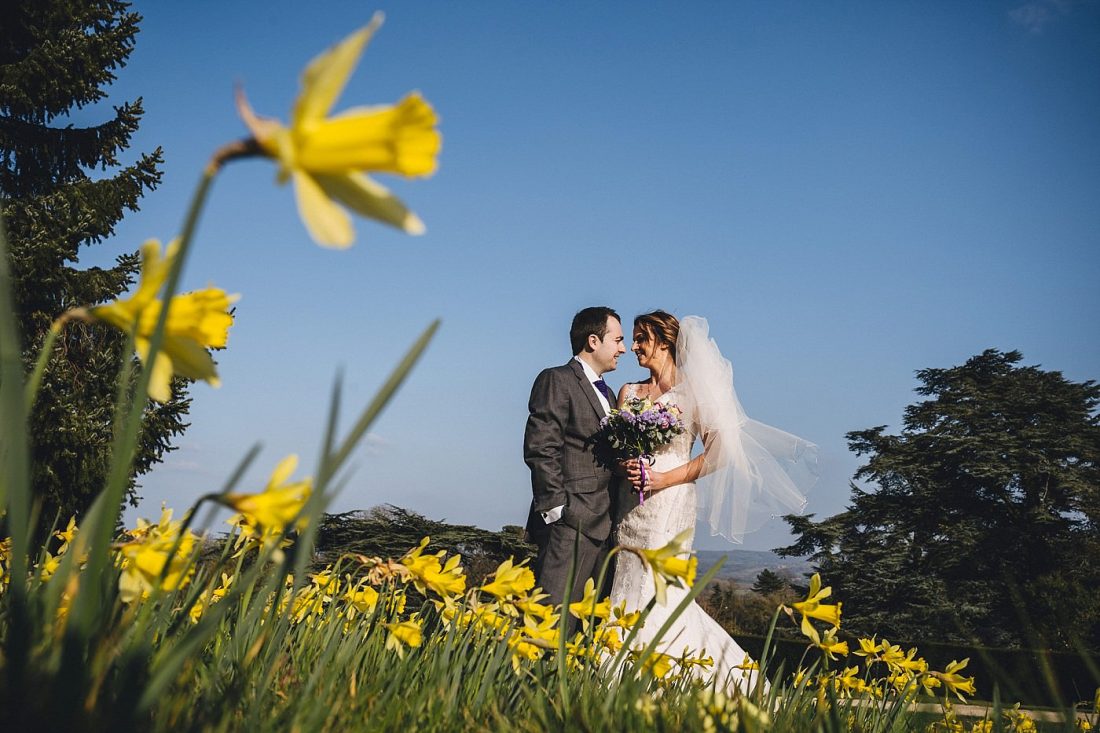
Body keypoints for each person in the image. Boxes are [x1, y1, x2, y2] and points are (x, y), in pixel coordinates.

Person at [611, 310, 818, 691]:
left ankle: (675, 681)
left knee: (661, 590)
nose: (635, 346)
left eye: (641, 338)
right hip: (630, 505)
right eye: (634, 338)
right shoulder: (628, 392)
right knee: (627, 580)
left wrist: (663, 478)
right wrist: (629, 464)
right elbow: (619, 446)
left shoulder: (693, 395)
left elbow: (719, 453)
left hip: (670, 502)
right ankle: (616, 671)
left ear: (664, 341)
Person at [523, 306, 627, 607]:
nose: (622, 349)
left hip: (605, 524)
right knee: (553, 618)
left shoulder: (608, 395)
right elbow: (541, 448)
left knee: (584, 626)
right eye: (617, 340)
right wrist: (557, 510)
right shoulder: (557, 379)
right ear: (593, 341)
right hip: (570, 521)